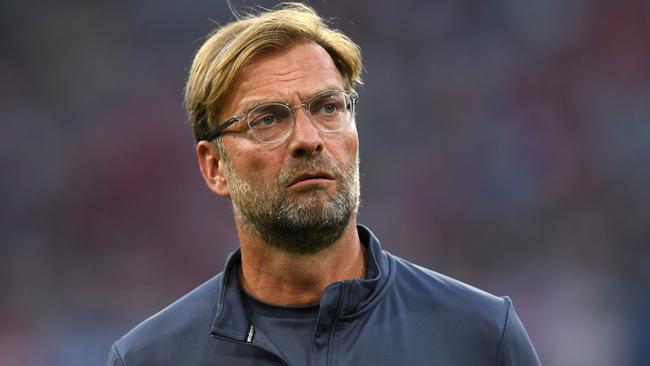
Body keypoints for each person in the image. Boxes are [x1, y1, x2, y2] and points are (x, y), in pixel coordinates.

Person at [107, 3, 540, 365]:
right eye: (268, 119)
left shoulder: (479, 336)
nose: (309, 139)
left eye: (328, 107)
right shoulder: (150, 358)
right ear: (215, 166)